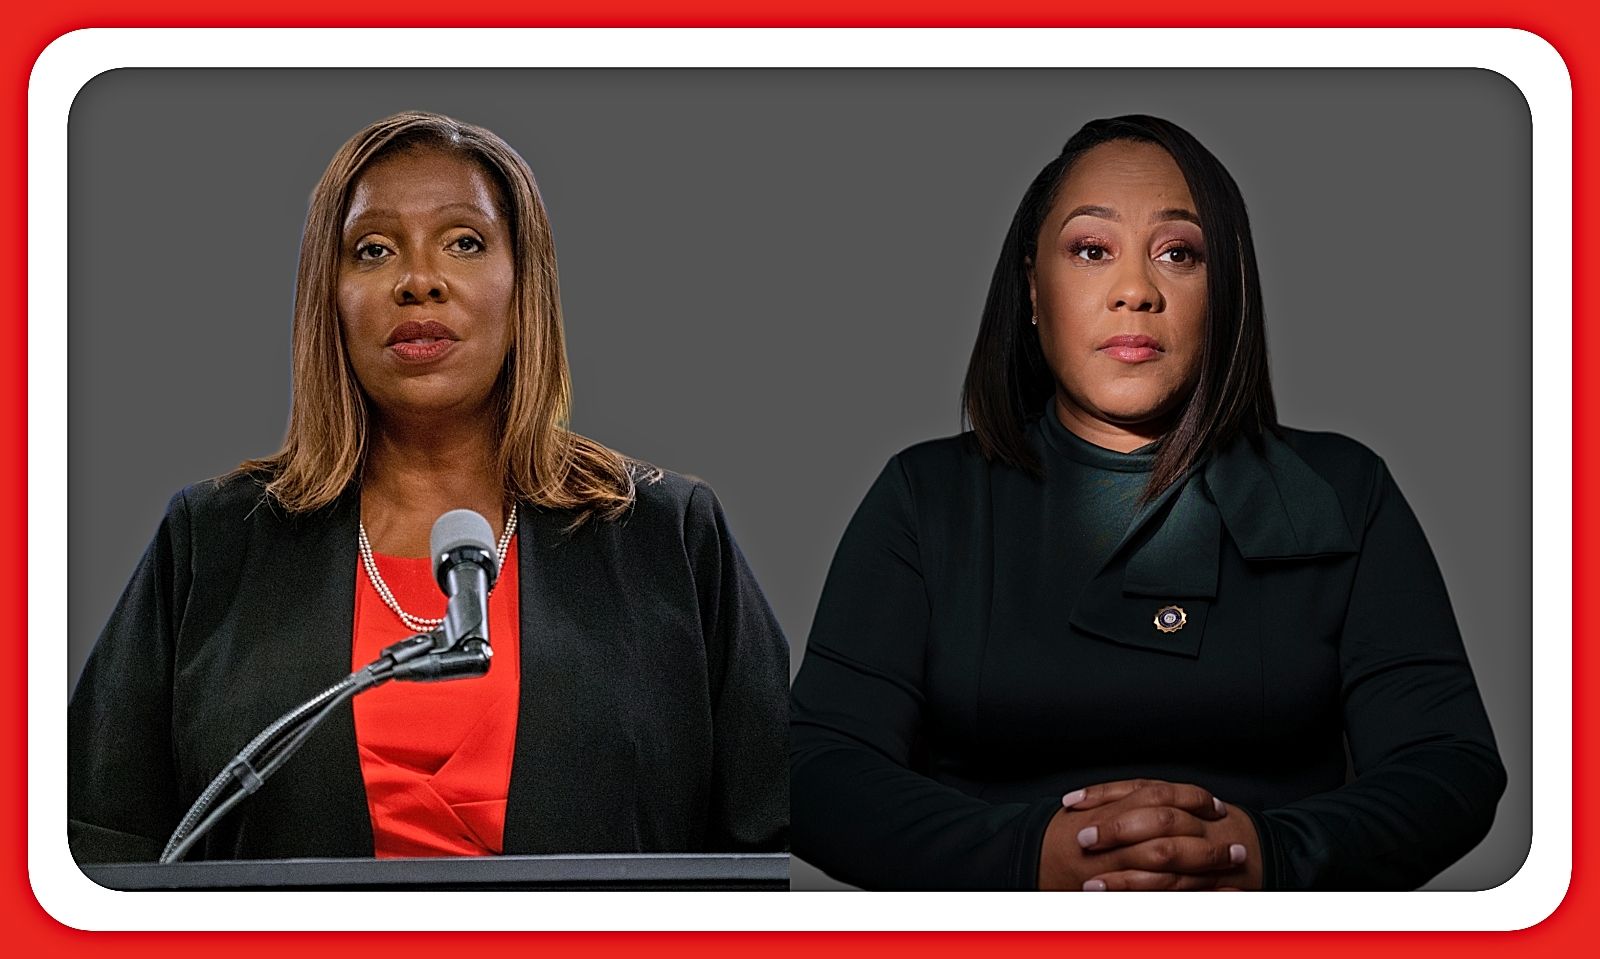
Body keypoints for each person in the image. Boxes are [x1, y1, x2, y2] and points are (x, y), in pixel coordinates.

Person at [788, 115, 1506, 891]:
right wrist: (1031, 856)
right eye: (1092, 251)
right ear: (1034, 288)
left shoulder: (1343, 488)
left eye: (1178, 254)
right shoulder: (925, 498)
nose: (1135, 291)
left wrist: (1267, 853)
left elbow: (1449, 765)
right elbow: (814, 769)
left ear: (1224, 290)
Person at [69, 111, 789, 864]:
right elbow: (97, 843)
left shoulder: (667, 536)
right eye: (373, 250)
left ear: (524, 283)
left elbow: (780, 845)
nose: (419, 281)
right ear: (331, 297)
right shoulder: (210, 541)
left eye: (464, 242)